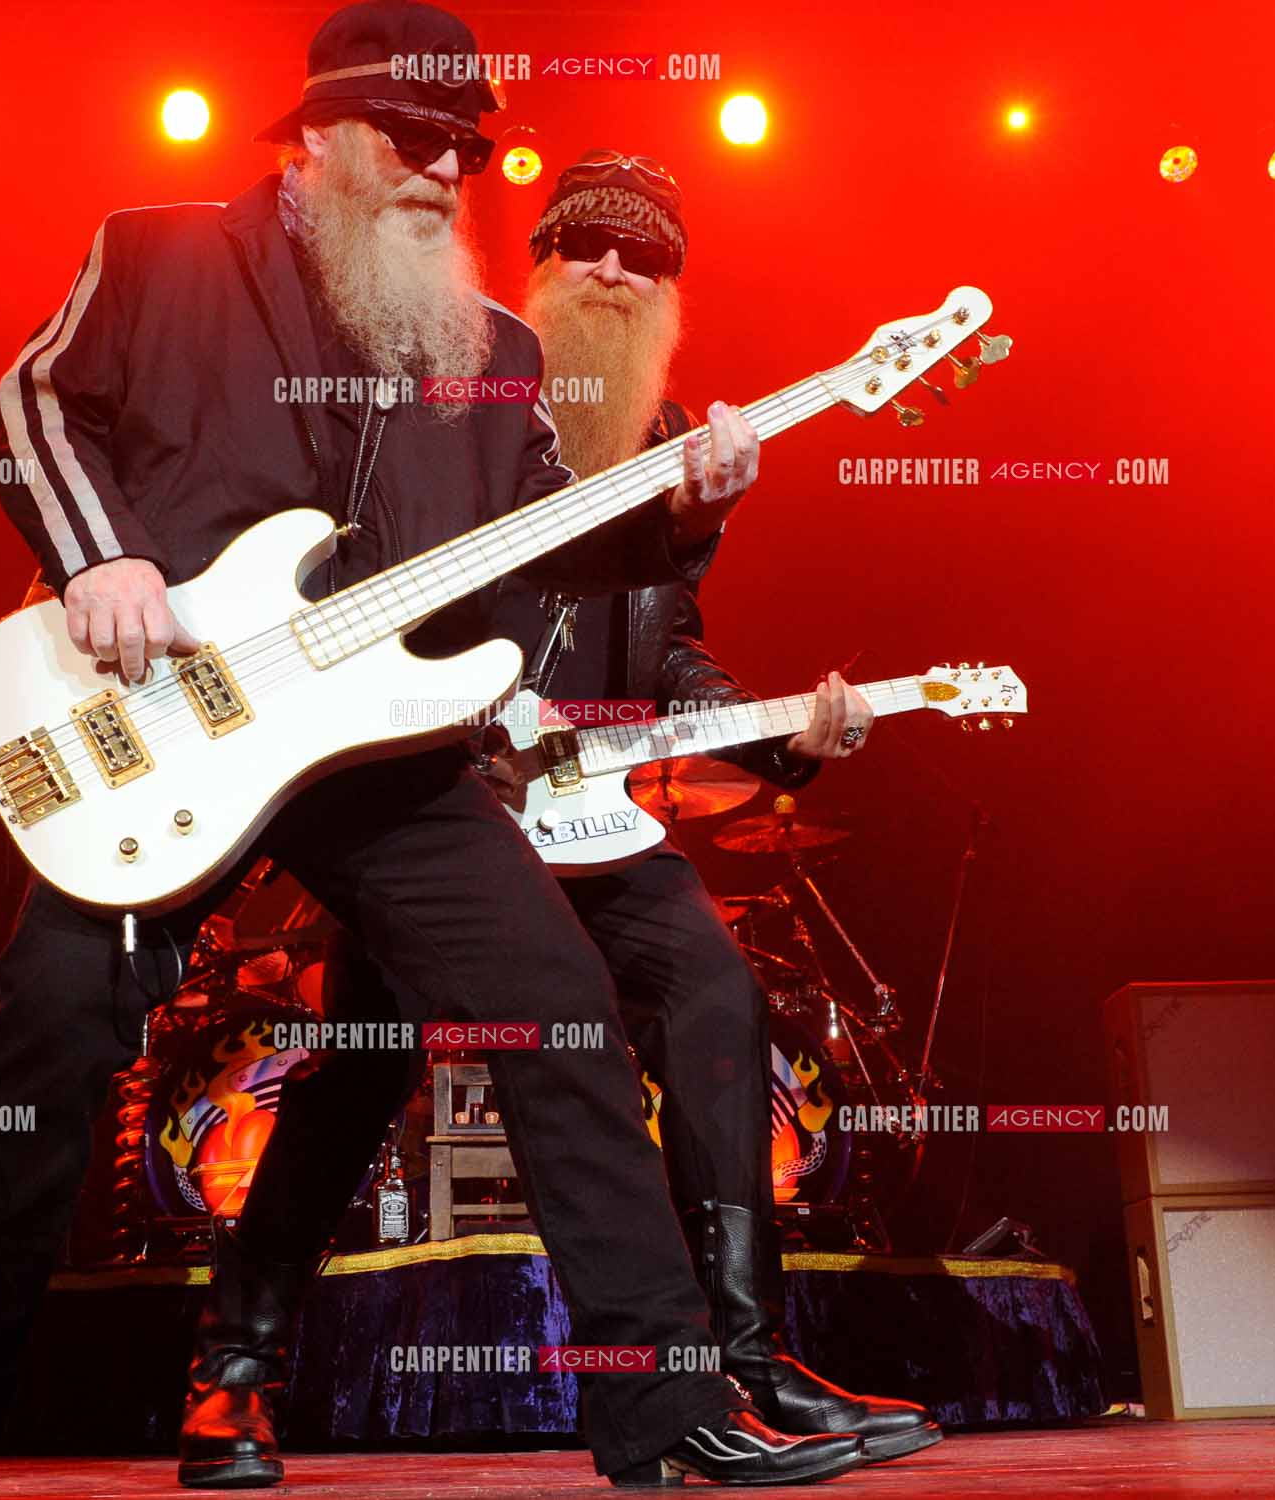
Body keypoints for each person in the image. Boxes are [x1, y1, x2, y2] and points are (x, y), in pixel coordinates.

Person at [0, 5, 861, 1498]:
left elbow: (551, 558)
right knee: (50, 1028)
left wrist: (688, 511)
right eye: (411, 138)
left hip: (381, 752)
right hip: (167, 719)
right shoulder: (159, 252)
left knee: (558, 1006)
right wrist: (101, 558)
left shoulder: (486, 347)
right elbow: (33, 404)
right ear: (314, 135)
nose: (443, 169)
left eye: (467, 149)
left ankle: (665, 1409)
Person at [174, 151, 941, 1493]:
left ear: (669, 299)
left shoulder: (673, 446)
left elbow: (665, 648)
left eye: (641, 260)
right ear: (534, 261)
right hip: (436, 806)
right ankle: (233, 1371)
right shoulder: (456, 397)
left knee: (713, 993)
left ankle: (742, 1363)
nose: (609, 272)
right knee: (360, 1069)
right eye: (585, 246)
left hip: (586, 821)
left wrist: (778, 733)